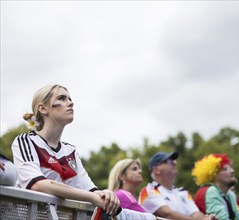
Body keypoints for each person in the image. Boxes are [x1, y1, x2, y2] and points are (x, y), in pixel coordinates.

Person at [11, 84, 156, 220]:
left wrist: (106, 194)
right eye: (62, 98)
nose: (71, 103)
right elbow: (37, 184)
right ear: (43, 109)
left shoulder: (71, 151)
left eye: (70, 99)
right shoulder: (25, 141)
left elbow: (91, 190)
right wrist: (92, 198)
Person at [138, 151, 217, 220]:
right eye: (168, 161)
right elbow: (168, 214)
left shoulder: (184, 193)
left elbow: (196, 213)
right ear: (156, 170)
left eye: (174, 161)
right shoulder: (148, 191)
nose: (174, 163)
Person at [192, 153, 239, 220]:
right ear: (214, 175)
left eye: (231, 168)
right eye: (226, 169)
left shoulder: (230, 194)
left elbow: (238, 218)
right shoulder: (211, 191)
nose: (232, 171)